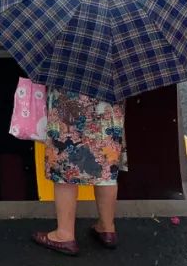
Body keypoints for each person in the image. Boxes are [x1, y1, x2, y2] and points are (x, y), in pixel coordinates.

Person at [32, 88, 126, 256]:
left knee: (66, 165)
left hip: (69, 89)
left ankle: (64, 234)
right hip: (108, 96)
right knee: (105, 164)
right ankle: (107, 229)